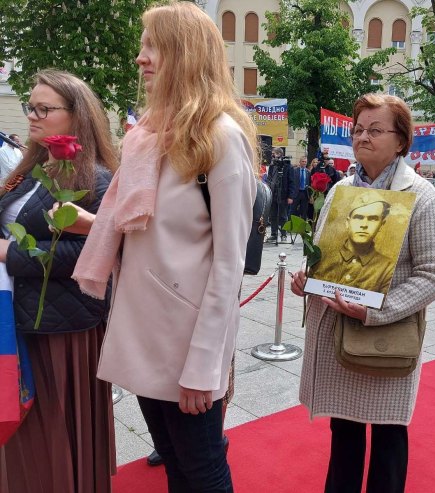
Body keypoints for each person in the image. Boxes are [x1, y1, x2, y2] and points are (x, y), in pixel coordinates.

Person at [73, 3, 257, 491]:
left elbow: (228, 263)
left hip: (185, 343)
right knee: (176, 464)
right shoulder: (148, 137)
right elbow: (138, 232)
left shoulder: (221, 136)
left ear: (184, 52)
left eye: (151, 45)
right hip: (142, 331)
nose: (141, 58)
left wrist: (203, 365)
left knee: (202, 472)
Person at [290, 93, 435, 493]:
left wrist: (377, 310)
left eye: (375, 130)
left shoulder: (421, 195)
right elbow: (327, 257)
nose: (363, 137)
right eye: (358, 129)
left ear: (401, 141)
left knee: (388, 438)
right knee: (343, 433)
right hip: (338, 335)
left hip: (386, 339)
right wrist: (307, 279)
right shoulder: (341, 191)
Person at [0, 69, 117, 492]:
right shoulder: (28, 171)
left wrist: (9, 253)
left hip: (62, 332)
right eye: (31, 106)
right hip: (19, 320)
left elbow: (90, 256)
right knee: (24, 438)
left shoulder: (96, 180)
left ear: (76, 115)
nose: (32, 116)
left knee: (55, 435)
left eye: (44, 109)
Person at [311, 191, 395, 293]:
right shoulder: (324, 257)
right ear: (347, 222)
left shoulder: (387, 268)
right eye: (358, 217)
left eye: (373, 219)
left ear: (381, 224)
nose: (364, 225)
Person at [266, 147, 296, 242]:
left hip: (283, 194)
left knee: (283, 216)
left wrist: (290, 196)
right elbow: (269, 179)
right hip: (273, 193)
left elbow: (292, 182)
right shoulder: (272, 166)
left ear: (279, 154)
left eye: (274, 153)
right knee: (273, 215)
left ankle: (283, 235)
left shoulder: (287, 166)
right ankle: (273, 234)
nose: (272, 155)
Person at [291, 156, 310, 220]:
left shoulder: (308, 172)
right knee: (292, 211)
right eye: (303, 161)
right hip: (296, 193)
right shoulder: (294, 171)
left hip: (305, 193)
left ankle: (302, 228)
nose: (304, 163)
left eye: (305, 162)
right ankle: (291, 227)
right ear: (300, 162)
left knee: (304, 211)